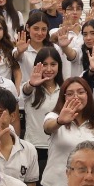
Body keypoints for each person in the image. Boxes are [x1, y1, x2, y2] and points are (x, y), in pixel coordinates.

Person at [40, 76, 94, 186]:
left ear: (88, 95)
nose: (76, 96)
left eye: (80, 92)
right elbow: (48, 127)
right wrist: (60, 121)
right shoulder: (54, 117)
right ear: (63, 98)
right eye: (70, 93)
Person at [21, 46, 62, 175]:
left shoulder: (65, 88)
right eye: (44, 64)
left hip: (58, 147)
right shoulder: (31, 87)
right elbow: (25, 91)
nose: (49, 69)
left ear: (59, 66)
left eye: (53, 64)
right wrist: (32, 84)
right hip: (34, 146)